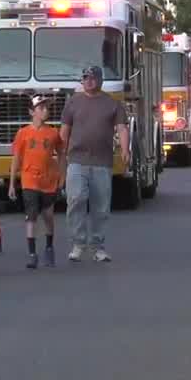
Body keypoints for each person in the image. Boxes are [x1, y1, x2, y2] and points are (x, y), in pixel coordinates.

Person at [60, 65, 129, 264]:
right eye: (85, 78)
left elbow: (122, 129)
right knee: (76, 198)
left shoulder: (112, 104)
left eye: (92, 78)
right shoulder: (73, 103)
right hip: (76, 161)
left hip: (102, 162)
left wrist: (125, 149)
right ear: (81, 81)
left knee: (100, 206)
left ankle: (98, 246)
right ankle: (78, 243)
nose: (89, 81)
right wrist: (59, 156)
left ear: (100, 80)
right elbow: (64, 132)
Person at [9, 95, 65, 269]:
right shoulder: (23, 134)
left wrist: (62, 176)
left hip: (49, 181)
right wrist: (12, 182)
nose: (45, 111)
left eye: (46, 108)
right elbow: (16, 158)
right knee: (31, 215)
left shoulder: (53, 133)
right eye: (41, 108)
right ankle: (32, 253)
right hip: (29, 180)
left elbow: (62, 155)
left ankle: (49, 247)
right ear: (31, 112)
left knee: (48, 216)